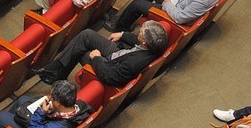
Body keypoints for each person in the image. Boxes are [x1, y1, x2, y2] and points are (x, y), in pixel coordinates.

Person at [34, 21, 169, 87]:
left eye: (141, 33)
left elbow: (110, 77)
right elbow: (137, 40)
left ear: (145, 41)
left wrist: (97, 58)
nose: (138, 32)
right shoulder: (154, 44)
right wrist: (122, 34)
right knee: (86, 35)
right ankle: (57, 70)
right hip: (120, 53)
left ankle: (57, 73)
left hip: (110, 65)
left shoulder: (134, 63)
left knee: (81, 51)